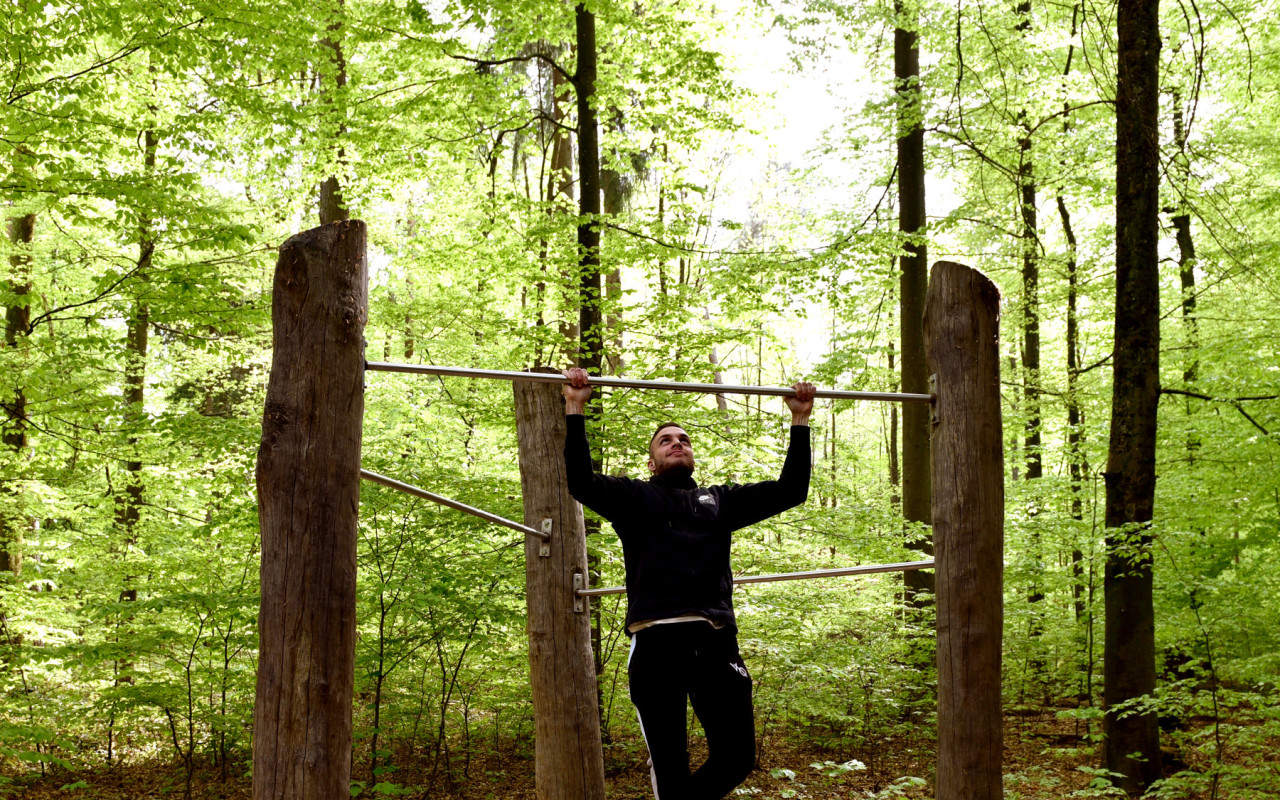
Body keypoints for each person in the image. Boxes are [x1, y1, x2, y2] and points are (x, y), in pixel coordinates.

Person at [561, 367, 816, 800]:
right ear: (653, 460)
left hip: (716, 643)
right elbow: (581, 481)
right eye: (666, 441)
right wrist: (575, 408)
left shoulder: (720, 501)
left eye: (683, 440)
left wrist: (800, 420)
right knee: (671, 772)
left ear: (692, 455)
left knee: (737, 758)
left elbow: (790, 491)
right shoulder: (634, 498)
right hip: (658, 645)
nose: (677, 444)